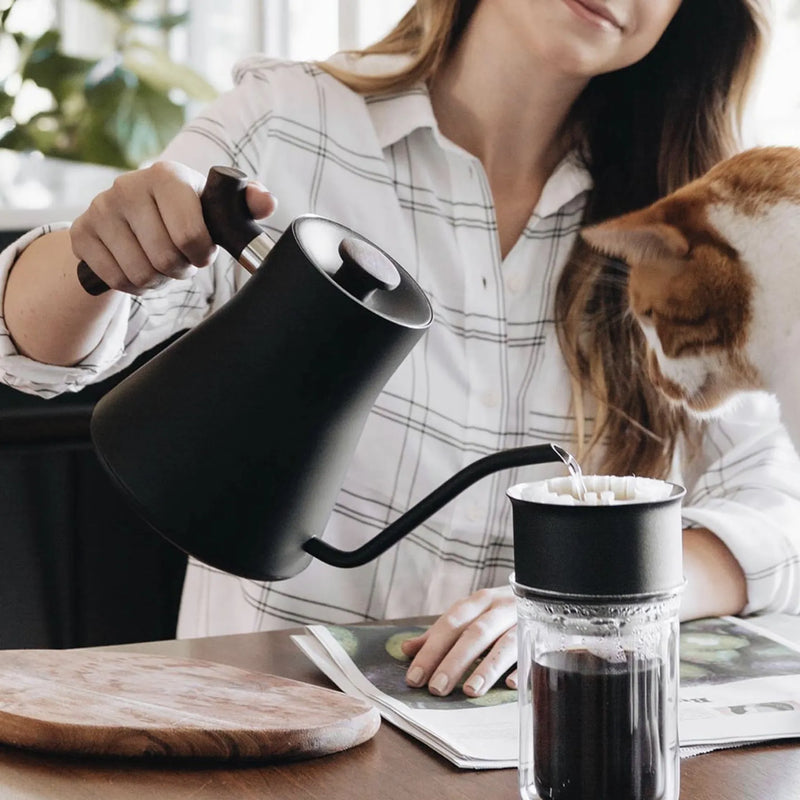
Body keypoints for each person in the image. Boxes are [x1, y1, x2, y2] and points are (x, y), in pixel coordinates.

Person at [2, 0, 798, 699]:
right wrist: (97, 251)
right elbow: (29, 354)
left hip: (529, 759)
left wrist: (597, 594)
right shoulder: (292, 124)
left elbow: (777, 514)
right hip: (260, 745)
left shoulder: (673, 231)